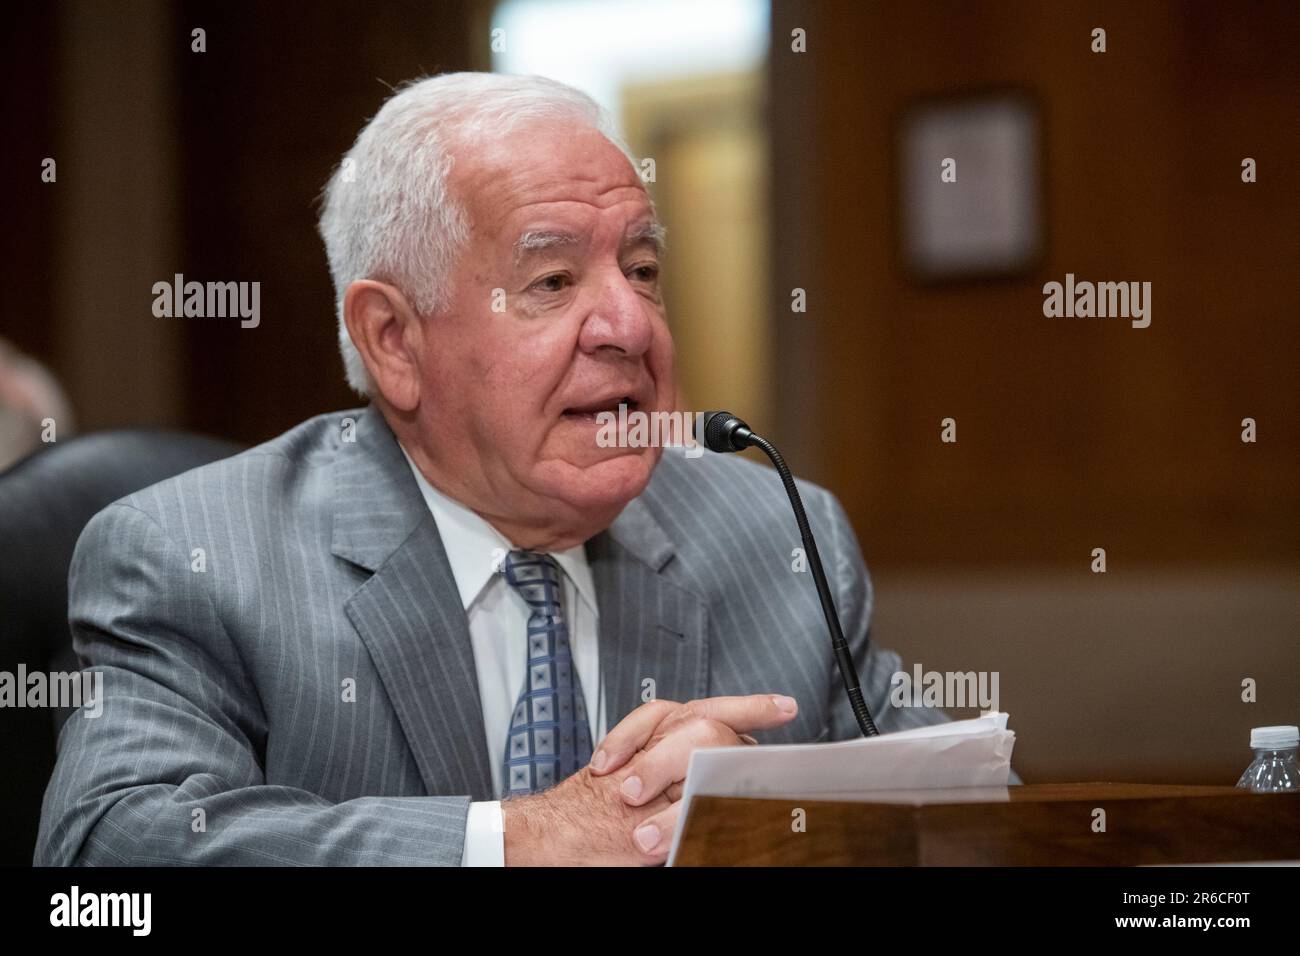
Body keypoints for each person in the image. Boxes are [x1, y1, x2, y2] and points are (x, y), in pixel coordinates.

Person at [36, 73, 949, 867]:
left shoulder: (779, 536)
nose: (629, 326)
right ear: (394, 340)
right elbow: (108, 854)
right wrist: (526, 841)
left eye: (641, 269)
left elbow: (968, 822)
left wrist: (771, 827)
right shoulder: (193, 558)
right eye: (553, 282)